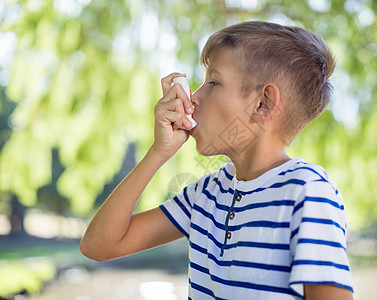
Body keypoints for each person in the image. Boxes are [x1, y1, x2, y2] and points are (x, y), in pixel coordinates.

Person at [80, 21, 354, 299]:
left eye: (213, 82)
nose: (193, 98)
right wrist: (158, 152)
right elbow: (99, 245)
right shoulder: (205, 193)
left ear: (262, 104)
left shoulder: (308, 193)